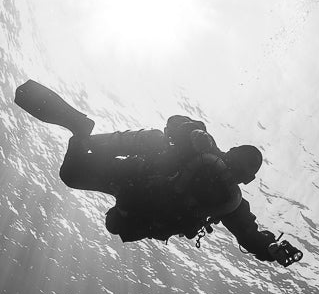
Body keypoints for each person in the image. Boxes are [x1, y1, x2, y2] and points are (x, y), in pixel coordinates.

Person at [13, 80, 302, 266]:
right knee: (73, 175)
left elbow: (249, 235)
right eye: (236, 160)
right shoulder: (204, 147)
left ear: (247, 179)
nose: (234, 169)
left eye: (241, 169)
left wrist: (270, 247)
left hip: (137, 204)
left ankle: (81, 135)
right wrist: (195, 130)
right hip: (133, 177)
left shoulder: (229, 201)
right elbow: (175, 122)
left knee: (75, 179)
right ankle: (84, 135)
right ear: (231, 152)